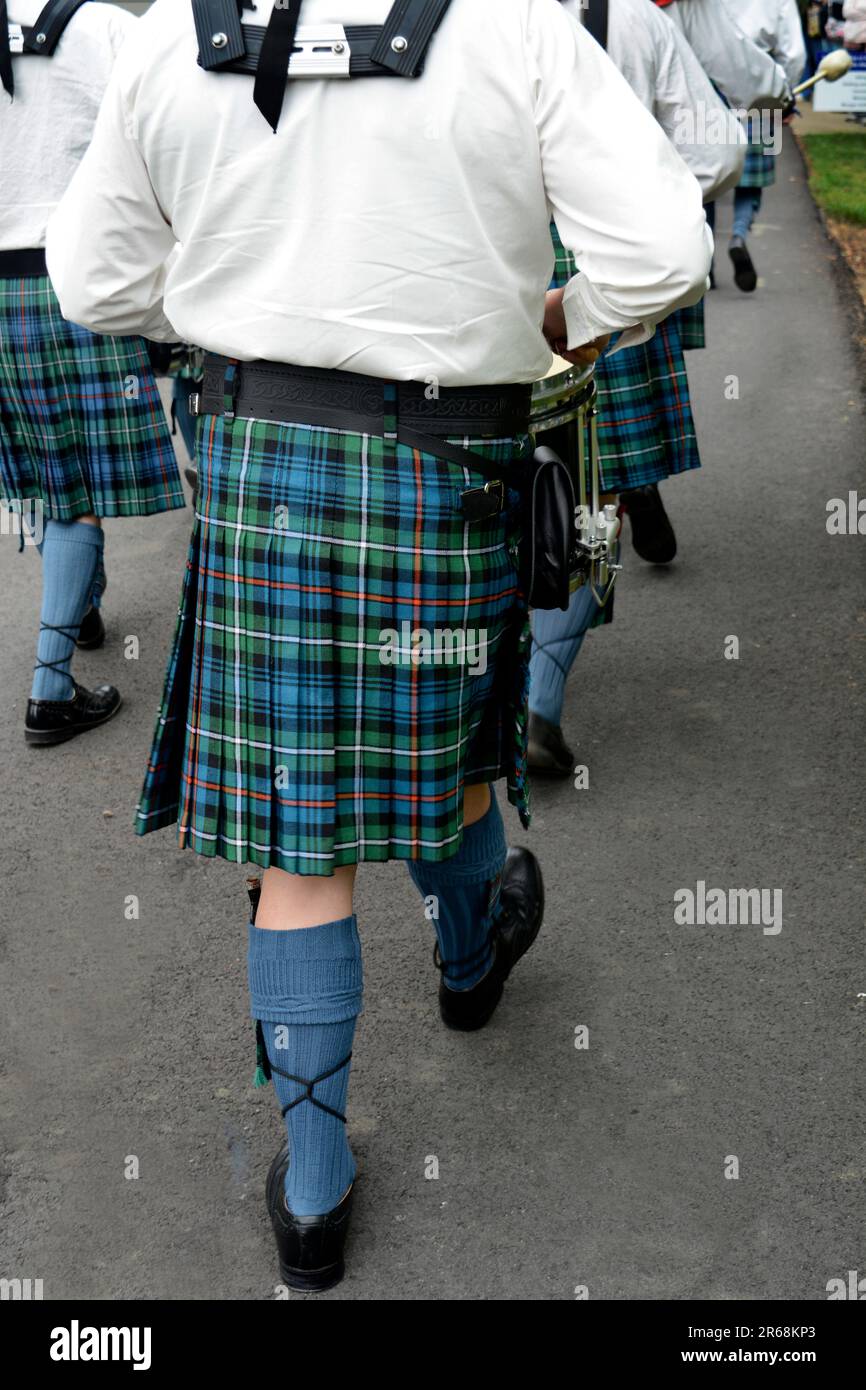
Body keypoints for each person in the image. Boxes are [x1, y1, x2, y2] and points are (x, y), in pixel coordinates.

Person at [48, 0, 710, 1291]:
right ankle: (468, 960)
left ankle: (312, 1200)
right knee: (447, 756)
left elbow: (97, 284)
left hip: (259, 473)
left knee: (303, 842)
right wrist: (556, 322)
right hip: (442, 471)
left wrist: (238, 308)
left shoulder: (168, 36)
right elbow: (663, 247)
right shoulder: (516, 26)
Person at [529, 0, 745, 775]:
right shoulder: (639, 22)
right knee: (593, 492)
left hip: (487, 267)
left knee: (479, 482)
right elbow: (718, 150)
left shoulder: (444, 21)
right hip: (609, 265)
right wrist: (654, 205)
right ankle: (536, 702)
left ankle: (464, 690)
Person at [0, 0, 185, 746]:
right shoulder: (107, 28)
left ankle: (80, 600)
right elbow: (163, 145)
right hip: (71, 280)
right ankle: (50, 689)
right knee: (73, 490)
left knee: (41, 475)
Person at [719, 1, 806, 291]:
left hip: (712, 87)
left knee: (703, 179)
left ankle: (704, 264)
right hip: (760, 90)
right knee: (750, 183)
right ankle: (739, 236)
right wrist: (784, 98)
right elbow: (793, 54)